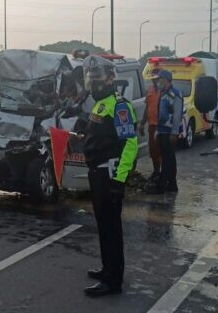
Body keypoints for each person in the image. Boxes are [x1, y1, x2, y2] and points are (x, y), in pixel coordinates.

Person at [81, 56, 138, 297]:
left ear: (111, 78)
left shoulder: (120, 105)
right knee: (103, 227)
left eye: (98, 78)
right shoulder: (99, 104)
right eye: (91, 78)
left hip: (110, 175)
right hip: (97, 173)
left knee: (112, 229)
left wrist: (119, 181)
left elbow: (130, 145)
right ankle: (107, 268)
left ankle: (113, 280)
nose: (94, 83)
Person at [155, 70, 183, 193]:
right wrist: (157, 131)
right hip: (162, 131)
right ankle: (168, 183)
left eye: (159, 79)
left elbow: (177, 115)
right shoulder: (162, 93)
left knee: (169, 159)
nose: (158, 81)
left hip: (169, 132)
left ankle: (168, 184)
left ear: (165, 80)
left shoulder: (175, 94)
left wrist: (174, 132)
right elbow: (160, 114)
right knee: (165, 158)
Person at [138, 69, 162, 180]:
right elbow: (147, 108)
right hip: (152, 125)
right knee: (153, 150)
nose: (154, 81)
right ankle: (156, 172)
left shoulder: (165, 91)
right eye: (153, 79)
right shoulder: (150, 90)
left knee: (161, 150)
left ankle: (162, 173)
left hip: (162, 126)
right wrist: (142, 124)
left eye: (156, 79)